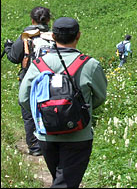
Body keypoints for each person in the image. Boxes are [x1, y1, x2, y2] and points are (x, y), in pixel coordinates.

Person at [19, 16, 107, 188]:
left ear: (53, 37)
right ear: (78, 35)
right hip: (78, 135)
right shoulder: (90, 65)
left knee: (61, 180)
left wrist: (43, 114)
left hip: (46, 135)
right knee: (65, 183)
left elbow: (23, 98)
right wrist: (81, 109)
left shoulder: (38, 64)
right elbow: (100, 97)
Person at [3, 6, 54, 156]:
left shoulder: (27, 35)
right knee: (50, 107)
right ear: (49, 20)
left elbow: (13, 57)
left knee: (29, 111)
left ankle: (35, 146)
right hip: (53, 79)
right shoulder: (54, 35)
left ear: (32, 20)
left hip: (30, 78)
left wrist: (8, 47)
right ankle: (52, 141)